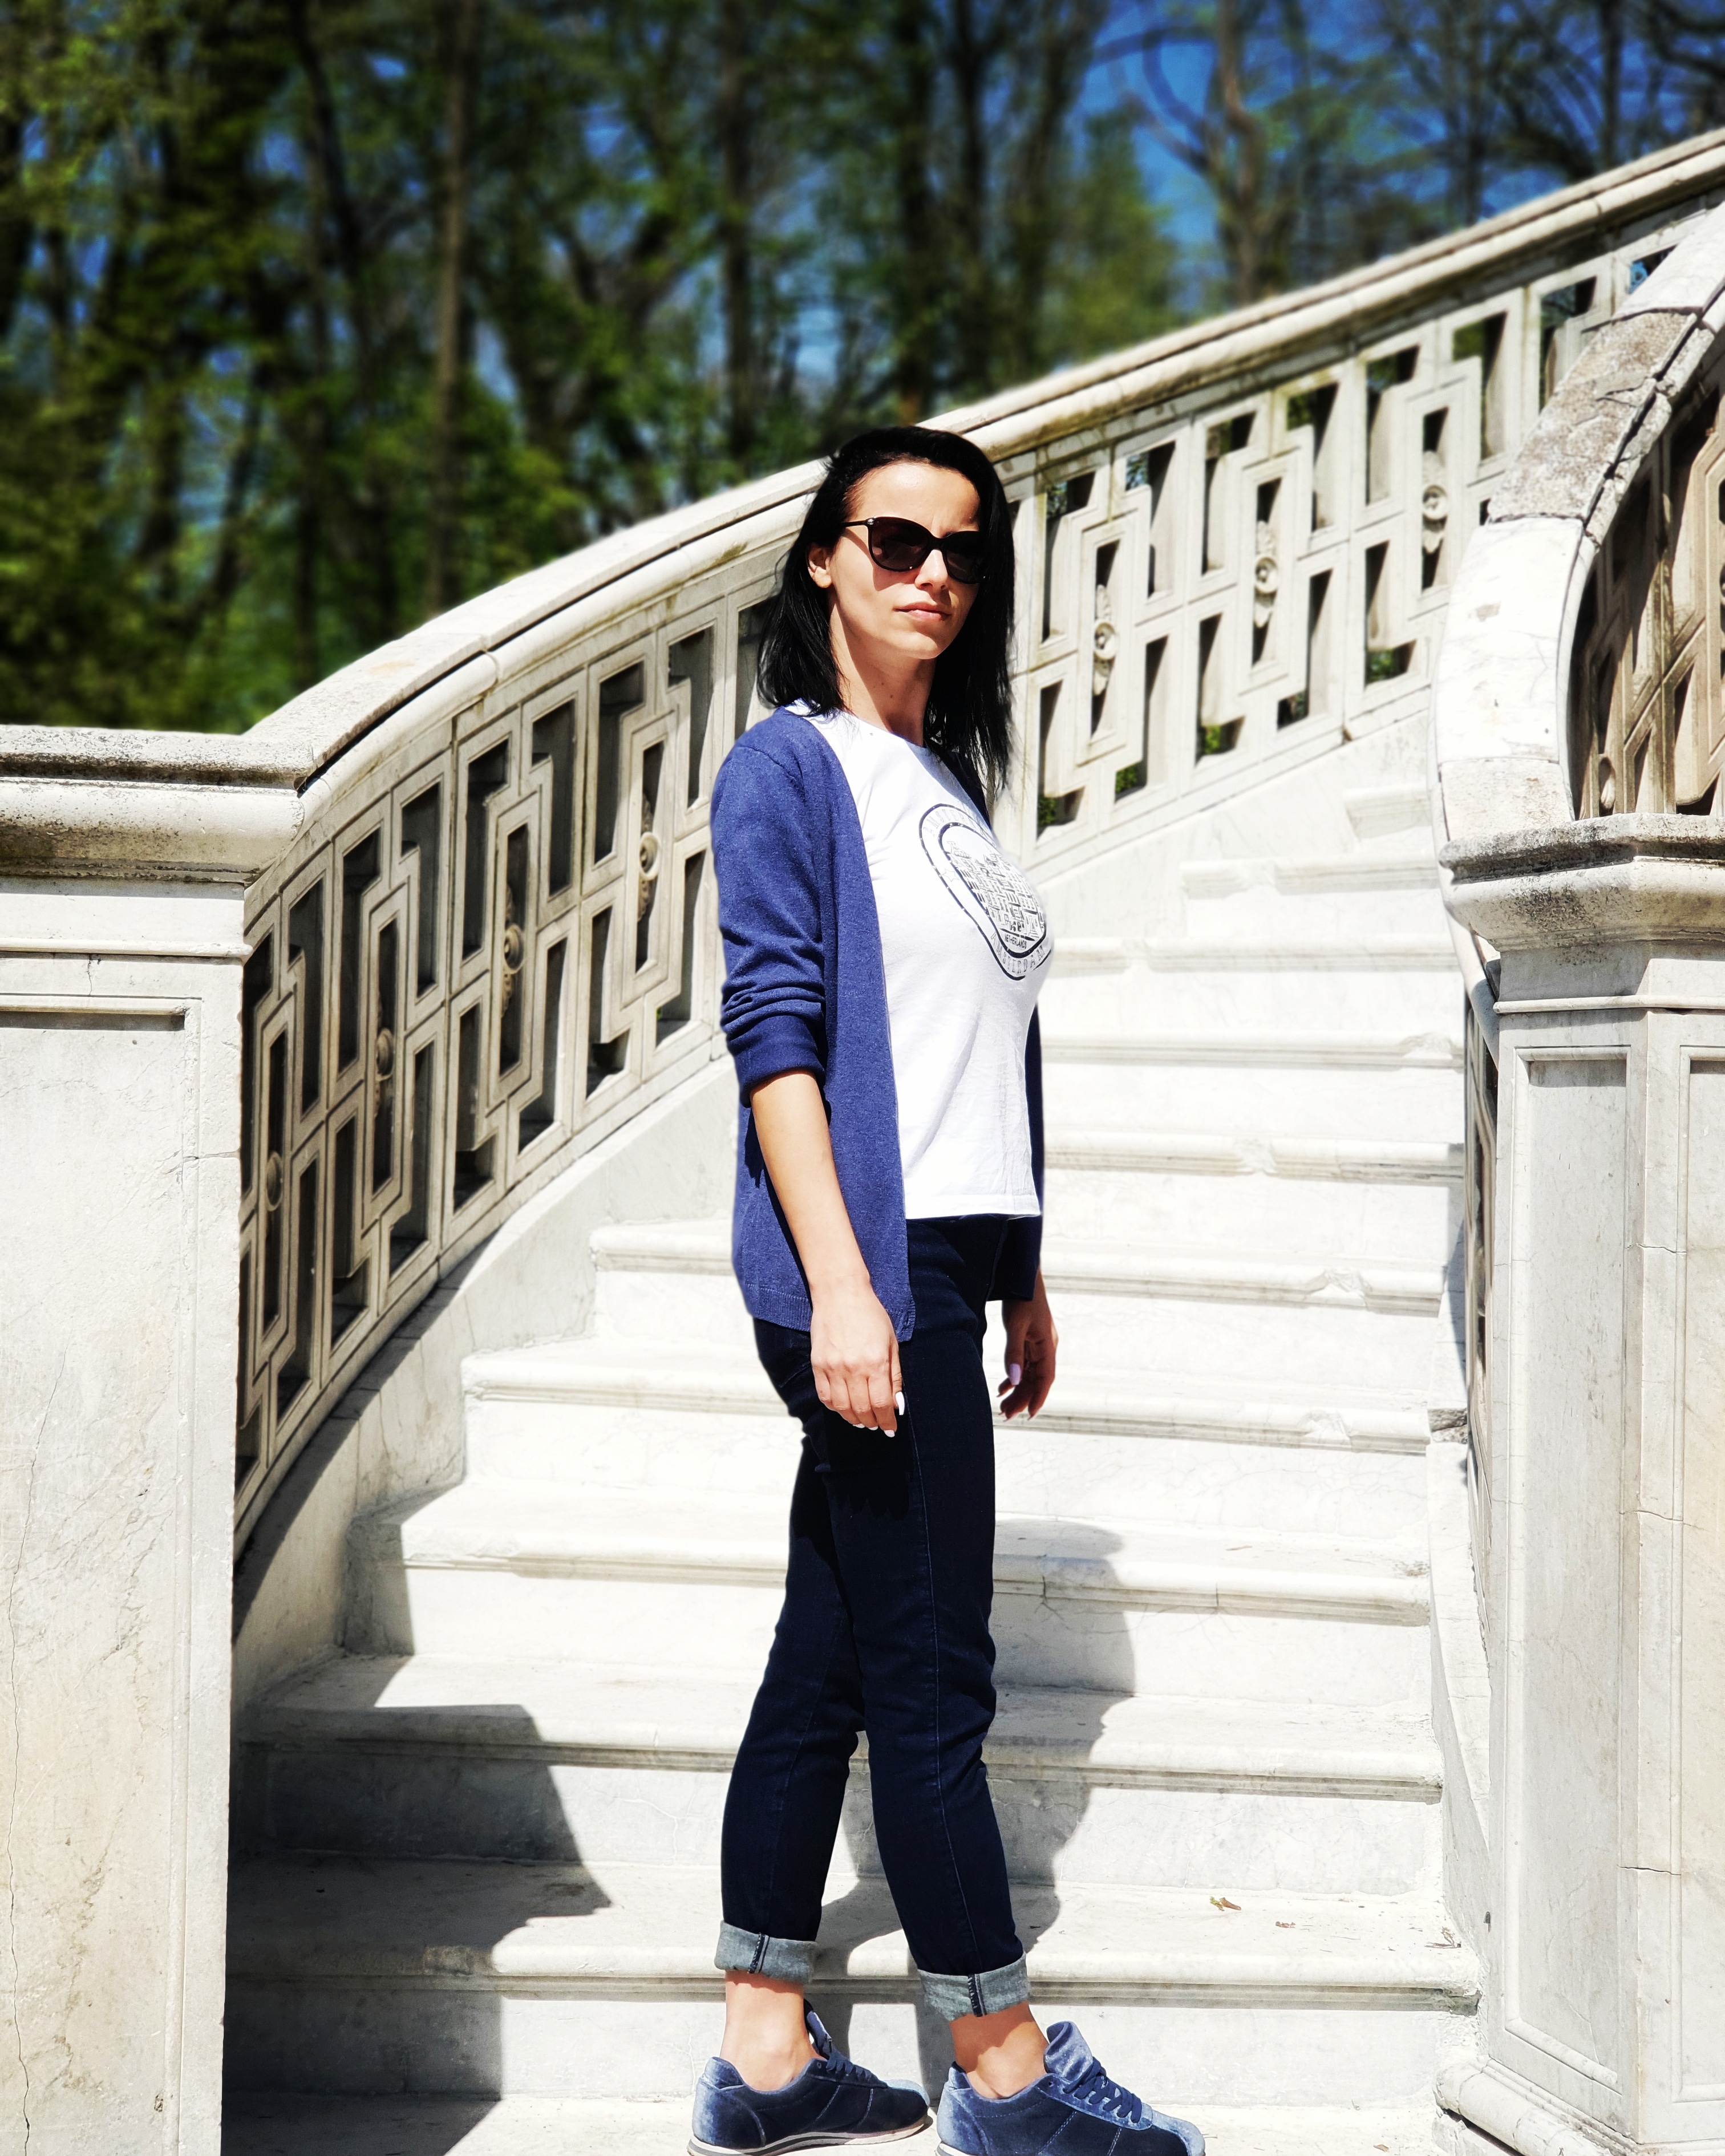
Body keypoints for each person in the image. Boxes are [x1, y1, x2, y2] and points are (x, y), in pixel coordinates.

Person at [691, 424, 1205, 2156]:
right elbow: (777, 1045)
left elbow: (987, 1039)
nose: (934, 574)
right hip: (873, 1268)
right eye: (896, 540)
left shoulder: (946, 785)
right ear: (824, 556)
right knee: (935, 1682)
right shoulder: (790, 768)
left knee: (830, 1653)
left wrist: (1023, 1268)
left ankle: (767, 2052)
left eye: (964, 551)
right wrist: (848, 1289)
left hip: (955, 1262)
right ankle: (1000, 2066)